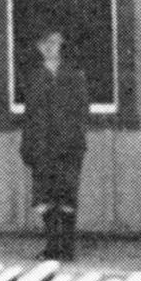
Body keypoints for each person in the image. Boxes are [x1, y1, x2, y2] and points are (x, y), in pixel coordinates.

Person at [18, 26, 90, 261]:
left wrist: (77, 144)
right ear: (39, 48)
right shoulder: (34, 77)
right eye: (45, 44)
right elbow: (29, 116)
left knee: (67, 197)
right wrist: (27, 146)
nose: (50, 48)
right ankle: (52, 247)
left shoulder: (74, 76)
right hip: (41, 147)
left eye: (54, 43)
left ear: (62, 45)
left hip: (68, 147)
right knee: (45, 198)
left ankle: (66, 249)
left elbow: (82, 113)